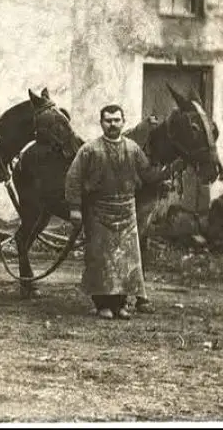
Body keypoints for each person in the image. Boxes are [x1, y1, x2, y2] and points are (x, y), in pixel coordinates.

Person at [65, 104, 151, 320]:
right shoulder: (89, 150)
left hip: (126, 211)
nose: (112, 124)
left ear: (124, 122)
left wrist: (169, 171)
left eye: (116, 120)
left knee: (125, 261)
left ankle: (121, 304)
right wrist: (75, 209)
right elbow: (73, 179)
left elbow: (147, 174)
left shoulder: (133, 149)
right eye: (108, 120)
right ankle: (102, 304)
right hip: (98, 211)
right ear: (101, 123)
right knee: (100, 259)